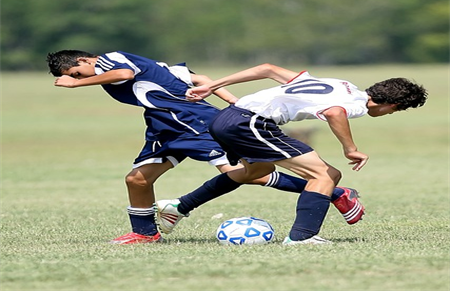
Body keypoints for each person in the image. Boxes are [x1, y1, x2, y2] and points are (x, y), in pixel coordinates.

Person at [47, 51, 365, 244]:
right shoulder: (136, 64)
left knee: (247, 173)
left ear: (85, 60)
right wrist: (231, 101)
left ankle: (335, 192)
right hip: (164, 123)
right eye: (73, 77)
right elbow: (197, 77)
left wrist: (76, 84)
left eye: (76, 72)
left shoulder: (111, 60)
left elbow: (125, 73)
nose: (77, 77)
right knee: (137, 179)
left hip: (192, 119)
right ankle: (145, 233)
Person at [155, 63, 428, 245]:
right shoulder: (356, 103)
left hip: (226, 118)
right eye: (395, 110)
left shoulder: (341, 84)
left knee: (255, 172)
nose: (389, 114)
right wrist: (351, 149)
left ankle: (179, 206)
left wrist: (212, 86)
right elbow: (335, 113)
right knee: (326, 174)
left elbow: (268, 69)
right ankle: (302, 237)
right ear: (393, 103)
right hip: (249, 123)